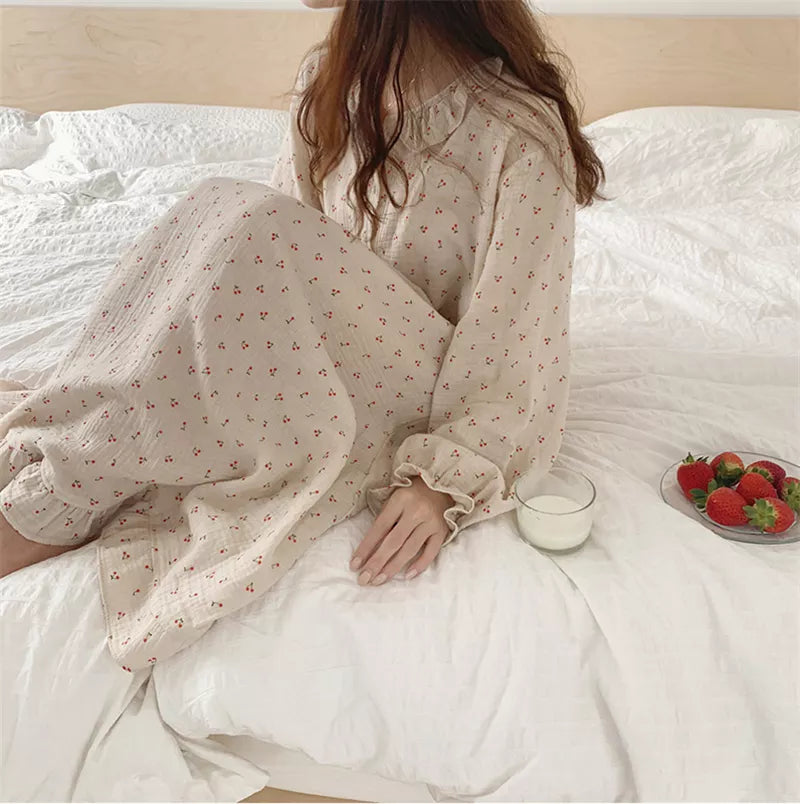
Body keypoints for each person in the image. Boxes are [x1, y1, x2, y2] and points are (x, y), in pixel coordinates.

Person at [0, 0, 604, 670]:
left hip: (414, 385)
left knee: (249, 224)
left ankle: (57, 498)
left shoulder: (517, 133)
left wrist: (443, 481)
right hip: (322, 357)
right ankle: (80, 447)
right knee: (223, 213)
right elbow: (272, 276)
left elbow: (515, 349)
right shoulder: (330, 76)